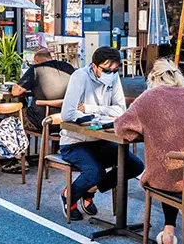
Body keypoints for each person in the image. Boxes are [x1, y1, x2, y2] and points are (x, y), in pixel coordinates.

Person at [115, 59, 184, 244]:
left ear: (153, 78)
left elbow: (121, 128)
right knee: (174, 166)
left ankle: (169, 233)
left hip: (171, 179)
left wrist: (145, 131)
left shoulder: (149, 98)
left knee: (166, 170)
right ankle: (168, 231)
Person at [59, 46, 144, 221]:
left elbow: (121, 110)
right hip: (75, 141)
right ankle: (70, 195)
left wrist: (91, 109)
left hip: (99, 140)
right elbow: (68, 114)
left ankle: (89, 189)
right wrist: (103, 113)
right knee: (95, 172)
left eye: (115, 70)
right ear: (94, 66)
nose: (111, 74)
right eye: (106, 70)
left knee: (135, 166)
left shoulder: (113, 78)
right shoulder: (80, 77)